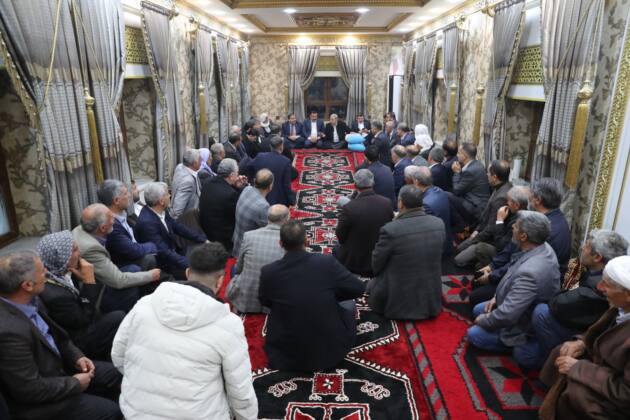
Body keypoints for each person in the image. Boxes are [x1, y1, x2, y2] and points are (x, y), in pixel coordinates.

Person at [112, 243, 258, 420]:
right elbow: (240, 392)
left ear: (188, 273)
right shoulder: (228, 324)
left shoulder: (144, 304)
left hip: (135, 412)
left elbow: (118, 355)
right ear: (220, 281)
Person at [0, 251, 122, 420]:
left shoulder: (30, 299)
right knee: (110, 411)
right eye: (42, 271)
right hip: (39, 402)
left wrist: (77, 356)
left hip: (60, 369)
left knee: (115, 374)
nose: (47, 273)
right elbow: (29, 389)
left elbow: (57, 337)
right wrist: (75, 384)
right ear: (27, 285)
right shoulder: (9, 333)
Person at [259, 221, 365, 371]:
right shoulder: (326, 262)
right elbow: (358, 288)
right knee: (348, 304)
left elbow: (265, 301)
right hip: (328, 352)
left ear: (280, 243)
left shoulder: (268, 272)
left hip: (286, 354)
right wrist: (330, 296)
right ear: (307, 241)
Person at [538, 255, 630, 420]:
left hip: (617, 395)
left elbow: (625, 392)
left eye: (606, 285)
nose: (599, 287)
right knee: (562, 350)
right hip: (602, 366)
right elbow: (600, 333)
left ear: (628, 294)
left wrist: (578, 368)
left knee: (577, 393)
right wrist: (582, 342)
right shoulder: (621, 307)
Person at [468, 211, 560, 369]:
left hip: (522, 324)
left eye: (516, 226)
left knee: (474, 334)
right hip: (516, 305)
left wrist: (484, 320)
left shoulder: (531, 272)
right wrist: (496, 297)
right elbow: (511, 272)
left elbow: (508, 315)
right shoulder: (540, 246)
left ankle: (515, 345)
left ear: (523, 236)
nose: (512, 227)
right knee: (478, 309)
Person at [531, 229, 628, 364]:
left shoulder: (597, 288)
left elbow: (557, 303)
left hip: (583, 338)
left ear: (597, 257)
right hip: (585, 333)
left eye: (586, 246)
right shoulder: (593, 271)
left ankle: (547, 359)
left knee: (541, 312)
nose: (582, 248)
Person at [473, 178, 572, 305]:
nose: (528, 197)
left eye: (531, 194)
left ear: (538, 200)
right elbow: (513, 246)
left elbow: (520, 262)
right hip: (524, 270)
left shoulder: (545, 228)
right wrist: (492, 266)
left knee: (475, 297)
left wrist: (492, 277)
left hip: (534, 285)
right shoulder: (551, 217)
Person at [37, 232, 125, 362]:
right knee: (118, 316)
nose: (80, 253)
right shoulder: (56, 295)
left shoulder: (62, 272)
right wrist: (89, 281)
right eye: (75, 250)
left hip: (84, 318)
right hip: (77, 342)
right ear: (62, 258)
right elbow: (84, 319)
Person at [369, 185, 446, 320]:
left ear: (401, 203)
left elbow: (376, 264)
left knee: (371, 284)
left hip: (398, 301)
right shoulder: (438, 223)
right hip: (429, 297)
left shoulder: (390, 230)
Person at [73, 204, 160, 313]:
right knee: (133, 275)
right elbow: (119, 281)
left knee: (143, 263)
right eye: (111, 218)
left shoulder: (83, 229)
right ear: (103, 228)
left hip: (104, 273)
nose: (114, 219)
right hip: (96, 295)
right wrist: (151, 276)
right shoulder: (91, 249)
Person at [134, 182, 206, 280]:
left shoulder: (161, 210)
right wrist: (190, 265)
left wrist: (202, 239)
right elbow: (163, 252)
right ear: (161, 201)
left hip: (173, 254)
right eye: (167, 194)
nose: (170, 195)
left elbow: (178, 227)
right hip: (163, 266)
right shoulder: (147, 223)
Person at [228, 205, 289, 313]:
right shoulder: (289, 241)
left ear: (268, 218)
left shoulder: (249, 236)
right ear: (287, 219)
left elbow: (239, 268)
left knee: (234, 268)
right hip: (272, 302)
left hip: (246, 300)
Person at [334, 169, 394, 277]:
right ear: (373, 183)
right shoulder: (386, 203)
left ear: (355, 185)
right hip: (380, 258)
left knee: (336, 249)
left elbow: (340, 236)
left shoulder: (350, 207)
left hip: (355, 262)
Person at [454, 160, 512, 267]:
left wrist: (473, 239)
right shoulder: (503, 185)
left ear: (494, 177)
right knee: (460, 248)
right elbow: (486, 216)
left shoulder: (501, 198)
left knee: (458, 259)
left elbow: (491, 229)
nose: (486, 175)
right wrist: (476, 230)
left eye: (488, 173)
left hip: (491, 240)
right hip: (483, 229)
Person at [99, 180, 157, 271]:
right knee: (149, 258)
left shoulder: (122, 215)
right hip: (125, 266)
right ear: (116, 200)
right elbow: (133, 250)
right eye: (126, 193)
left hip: (133, 256)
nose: (129, 195)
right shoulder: (112, 226)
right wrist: (153, 245)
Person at [199, 159, 248, 253]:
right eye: (237, 173)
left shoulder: (208, 182)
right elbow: (237, 215)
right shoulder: (230, 194)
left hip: (205, 231)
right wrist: (241, 188)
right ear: (232, 175)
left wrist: (235, 186)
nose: (238, 176)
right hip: (223, 239)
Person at [404, 166, 453, 256]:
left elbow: (420, 228)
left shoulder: (425, 203)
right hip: (447, 239)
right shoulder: (440, 191)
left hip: (436, 247)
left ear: (416, 182)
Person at [232, 169, 273, 257]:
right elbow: (269, 230)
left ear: (254, 181)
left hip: (237, 241)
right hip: (247, 250)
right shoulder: (263, 206)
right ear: (270, 186)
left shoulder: (247, 189)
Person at [449, 142, 491, 226]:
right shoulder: (476, 163)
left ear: (464, 156)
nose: (457, 155)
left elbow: (456, 190)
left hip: (476, 206)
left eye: (459, 153)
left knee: (447, 196)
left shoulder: (471, 171)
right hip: (473, 199)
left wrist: (456, 173)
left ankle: (462, 226)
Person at [361, 145, 396, 209]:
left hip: (378, 206)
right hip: (391, 204)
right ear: (379, 156)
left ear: (366, 158)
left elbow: (362, 191)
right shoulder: (388, 168)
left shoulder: (368, 172)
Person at [170, 149, 202, 219]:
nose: (201, 162)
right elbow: (177, 210)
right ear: (194, 163)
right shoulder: (188, 182)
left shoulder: (180, 167)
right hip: (188, 218)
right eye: (200, 160)